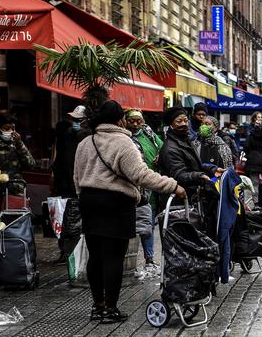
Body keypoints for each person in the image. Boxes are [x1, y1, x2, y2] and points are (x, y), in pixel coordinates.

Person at [74, 100, 185, 323]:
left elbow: (76, 177)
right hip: (115, 203)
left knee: (95, 256)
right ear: (119, 119)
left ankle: (98, 306)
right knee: (114, 257)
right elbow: (141, 175)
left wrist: (84, 197)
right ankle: (110, 309)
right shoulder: (124, 143)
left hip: (88, 201)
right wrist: (173, 185)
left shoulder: (85, 142)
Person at [158, 107, 224, 238]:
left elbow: (194, 165)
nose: (183, 124)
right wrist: (199, 176)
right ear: (171, 125)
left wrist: (212, 169)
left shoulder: (186, 140)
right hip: (178, 205)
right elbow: (179, 174)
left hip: (191, 201)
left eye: (185, 120)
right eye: (179, 121)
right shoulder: (171, 148)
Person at [0, 114, 35, 225]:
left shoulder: (17, 145)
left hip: (15, 194)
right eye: (7, 128)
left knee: (16, 228)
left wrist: (20, 144)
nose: (10, 131)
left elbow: (30, 164)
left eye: (13, 128)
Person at [125, 108, 164, 270]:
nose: (135, 124)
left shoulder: (150, 135)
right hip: (135, 186)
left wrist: (161, 155)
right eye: (131, 120)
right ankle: (128, 260)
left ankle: (149, 258)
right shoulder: (124, 139)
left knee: (149, 223)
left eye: (138, 120)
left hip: (153, 185)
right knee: (137, 223)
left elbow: (163, 147)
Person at [51, 105, 87, 264]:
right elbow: (58, 160)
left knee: (76, 222)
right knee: (62, 219)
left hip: (80, 186)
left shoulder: (88, 137)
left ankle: (73, 252)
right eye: (74, 119)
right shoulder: (65, 135)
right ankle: (65, 251)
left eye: (79, 120)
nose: (75, 122)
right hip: (64, 185)